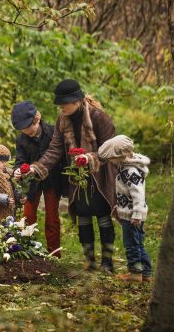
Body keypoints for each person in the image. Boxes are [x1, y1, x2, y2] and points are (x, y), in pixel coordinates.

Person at [28, 79, 117, 272]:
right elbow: (55, 149)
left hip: (99, 176)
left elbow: (110, 148)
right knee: (83, 215)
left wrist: (89, 158)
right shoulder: (62, 120)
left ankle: (107, 263)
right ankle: (89, 260)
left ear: (76, 101)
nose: (61, 107)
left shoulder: (99, 117)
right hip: (77, 177)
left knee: (103, 216)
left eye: (64, 103)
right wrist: (38, 168)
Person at [11, 101, 66, 258]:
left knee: (52, 217)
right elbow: (19, 161)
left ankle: (54, 253)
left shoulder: (53, 132)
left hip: (52, 181)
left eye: (28, 129)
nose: (26, 132)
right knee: (28, 216)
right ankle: (27, 250)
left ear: (36, 119)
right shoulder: (21, 140)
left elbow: (58, 155)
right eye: (22, 130)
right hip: (31, 183)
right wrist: (17, 171)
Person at [97, 135, 152, 282]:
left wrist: (137, 214)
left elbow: (138, 195)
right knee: (138, 242)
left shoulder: (131, 171)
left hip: (132, 216)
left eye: (112, 159)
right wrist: (118, 206)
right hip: (129, 212)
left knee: (132, 244)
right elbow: (126, 193)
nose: (110, 162)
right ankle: (146, 273)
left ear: (123, 155)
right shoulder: (124, 167)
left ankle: (135, 274)